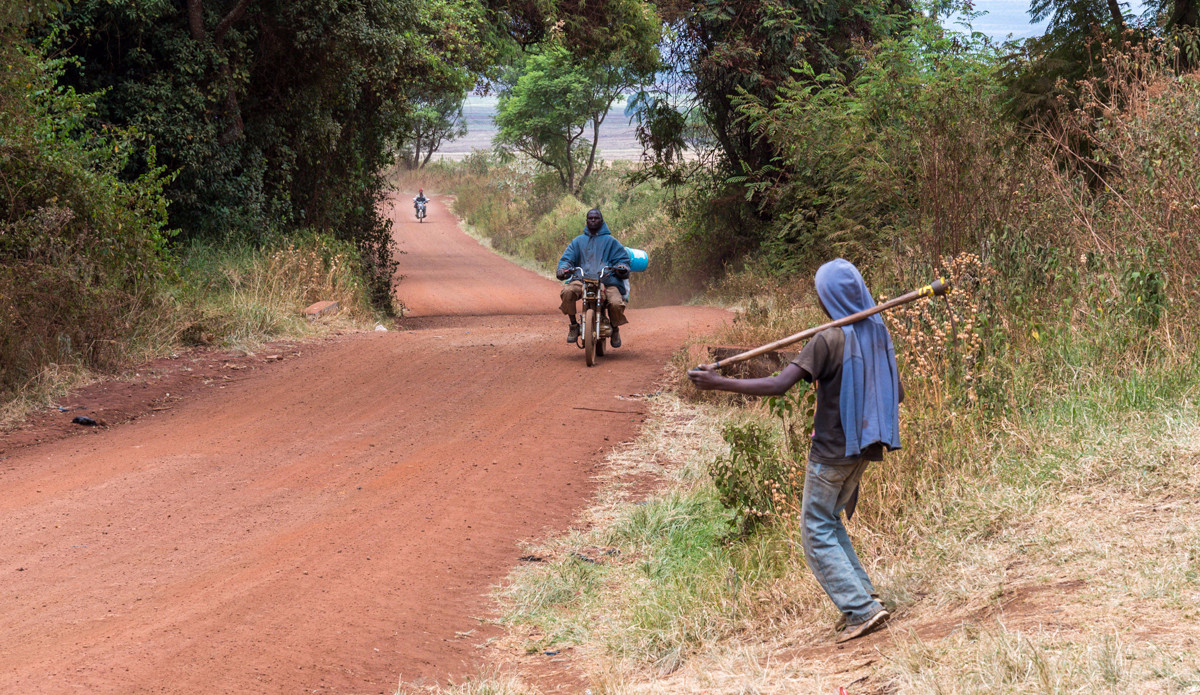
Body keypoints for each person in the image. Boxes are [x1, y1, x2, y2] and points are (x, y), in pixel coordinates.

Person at [688, 258, 903, 644]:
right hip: (863, 446)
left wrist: (717, 382)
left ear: (831, 298)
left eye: (821, 294)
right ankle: (865, 597)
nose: (819, 302)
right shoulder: (876, 332)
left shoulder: (828, 339)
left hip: (832, 451)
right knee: (829, 521)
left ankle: (862, 611)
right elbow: (896, 393)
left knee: (814, 531)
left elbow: (777, 386)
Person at [556, 208, 631, 347]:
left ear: (601, 220)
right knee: (567, 292)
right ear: (586, 220)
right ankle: (573, 325)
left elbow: (623, 260)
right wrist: (562, 269)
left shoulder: (611, 241)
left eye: (596, 218)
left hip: (607, 281)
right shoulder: (578, 242)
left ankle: (615, 329)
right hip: (582, 279)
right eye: (590, 218)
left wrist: (622, 267)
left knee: (615, 303)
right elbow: (567, 259)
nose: (593, 220)